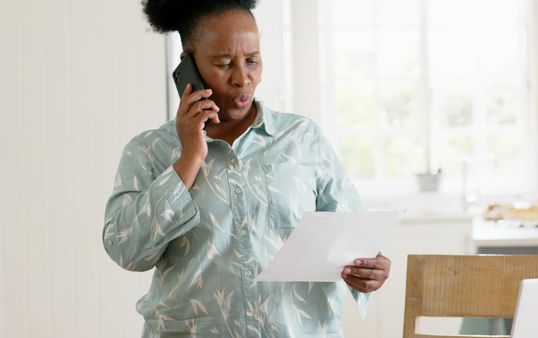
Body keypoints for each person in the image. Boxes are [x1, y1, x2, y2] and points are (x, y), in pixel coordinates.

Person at [102, 0, 391, 337]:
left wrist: (370, 270)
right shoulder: (150, 151)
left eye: (252, 61)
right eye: (224, 63)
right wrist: (189, 159)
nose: (243, 78)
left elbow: (354, 240)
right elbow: (127, 251)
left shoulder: (302, 139)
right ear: (188, 66)